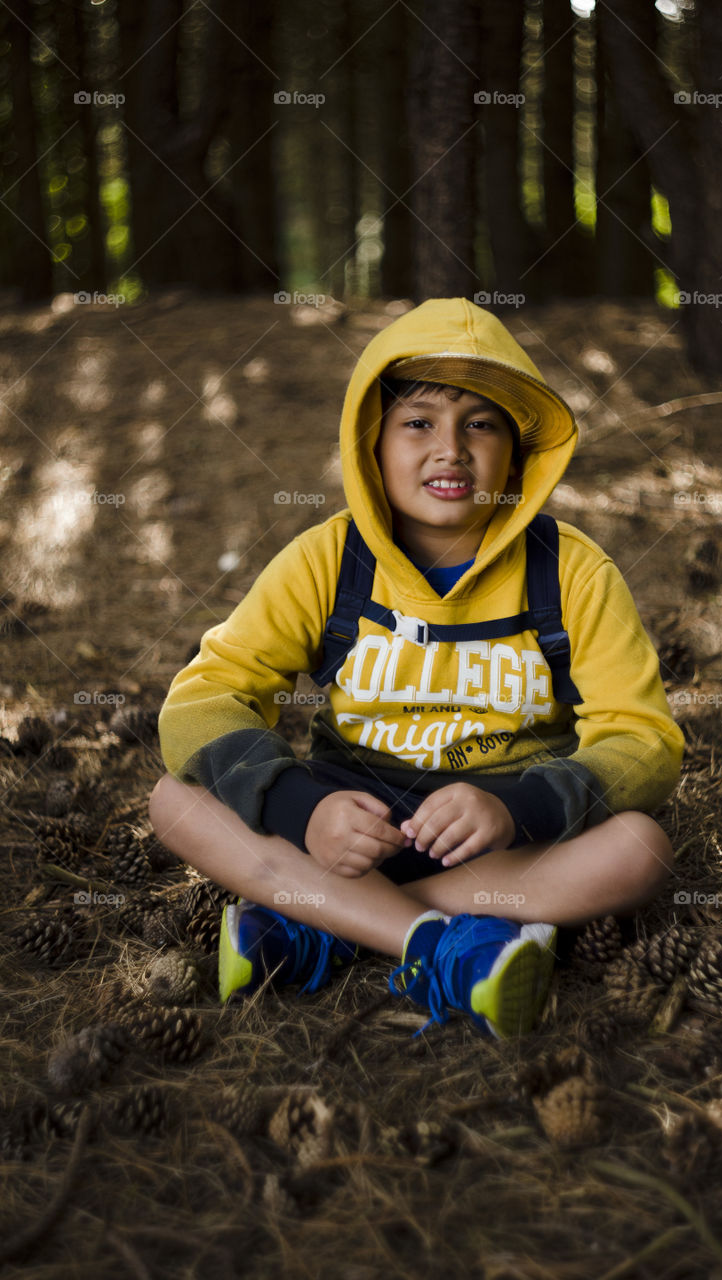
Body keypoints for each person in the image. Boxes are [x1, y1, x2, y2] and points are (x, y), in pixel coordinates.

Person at [149, 297, 683, 1039]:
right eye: (418, 422)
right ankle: (437, 944)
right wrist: (302, 810)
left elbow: (642, 736)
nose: (450, 450)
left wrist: (518, 809)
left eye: (481, 424)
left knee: (638, 849)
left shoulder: (573, 574)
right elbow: (206, 696)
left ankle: (325, 925)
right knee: (172, 802)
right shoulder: (326, 560)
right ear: (373, 444)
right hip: (347, 823)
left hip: (494, 841)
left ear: (516, 453)